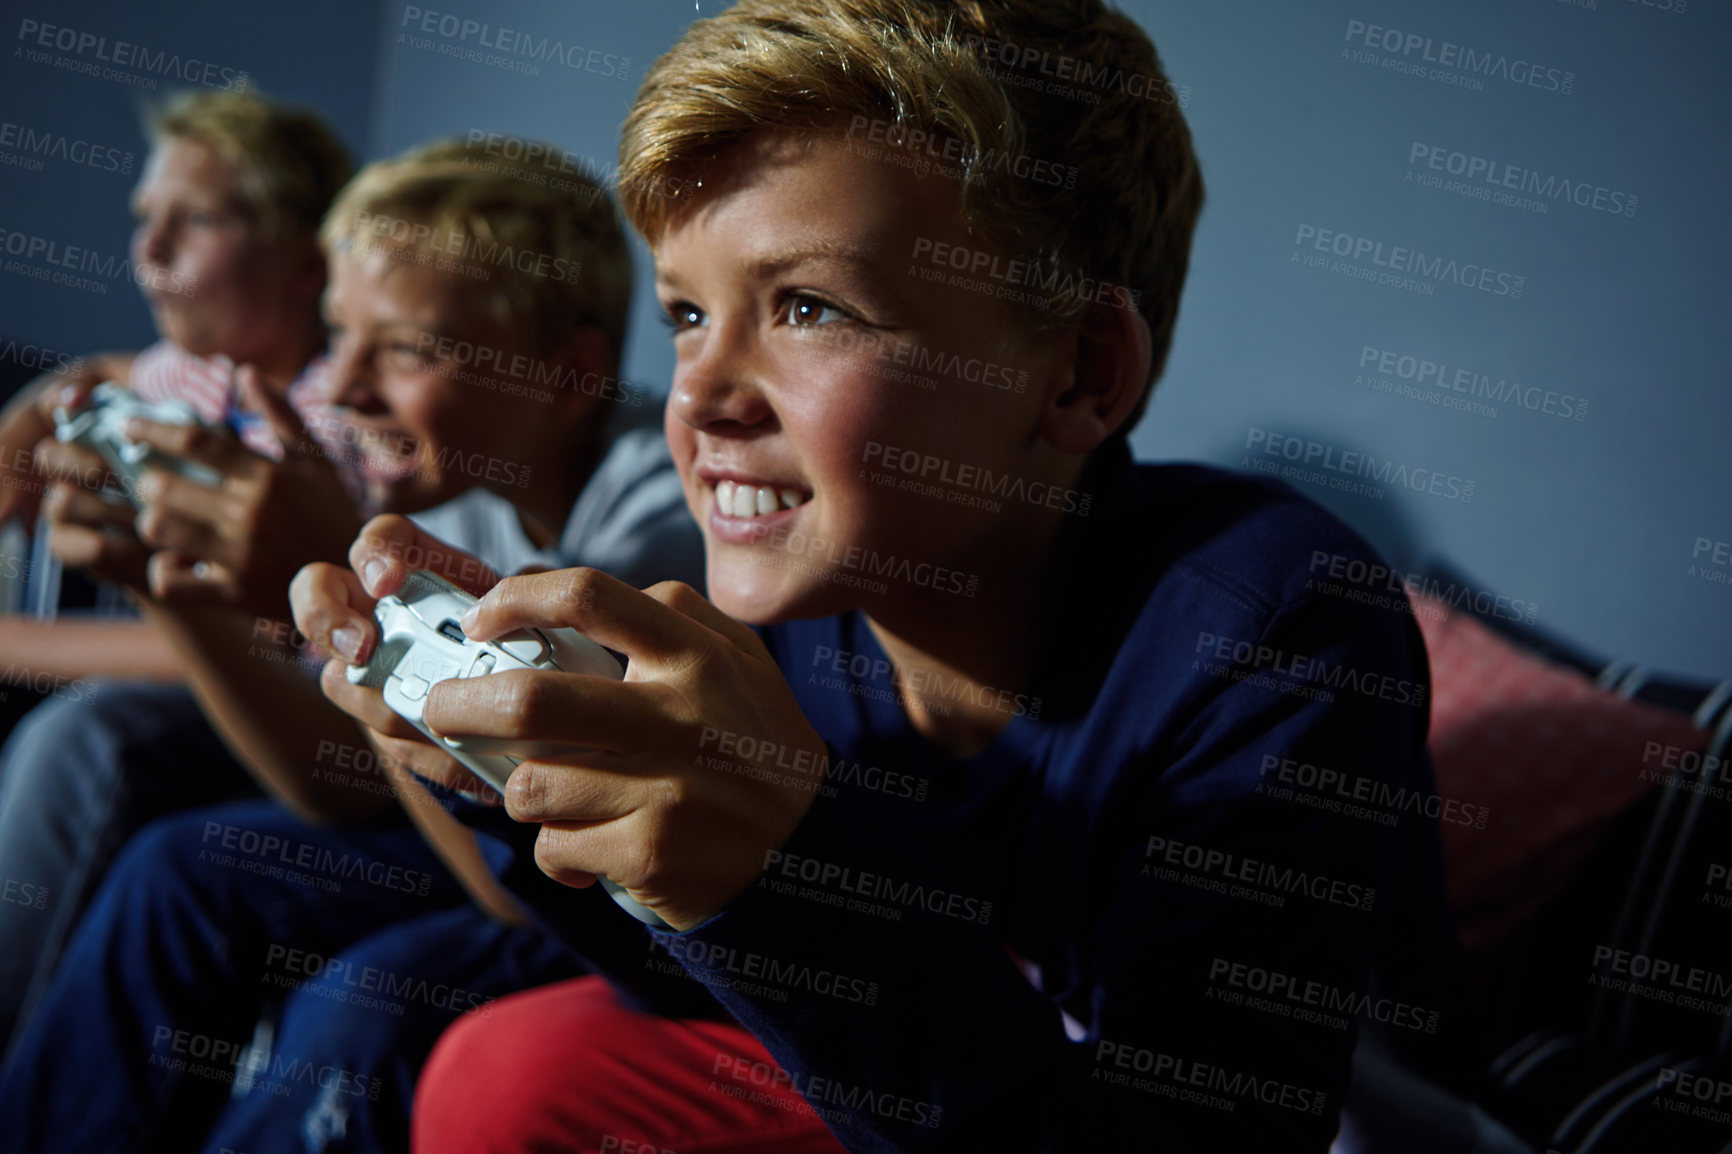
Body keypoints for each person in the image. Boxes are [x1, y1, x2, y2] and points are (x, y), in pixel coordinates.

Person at [290, 1, 1485, 1151]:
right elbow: (734, 977)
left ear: (1082, 371)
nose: (700, 395)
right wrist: (513, 785)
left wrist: (780, 863)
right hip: (973, 1065)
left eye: (807, 306)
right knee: (509, 1065)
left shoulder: (1277, 620)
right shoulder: (810, 620)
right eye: (688, 315)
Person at [0, 138, 707, 1153]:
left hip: (584, 903)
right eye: (341, 337)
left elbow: (522, 889)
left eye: (409, 348)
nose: (343, 388)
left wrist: (349, 597)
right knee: (179, 866)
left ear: (568, 374)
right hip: (488, 852)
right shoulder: (467, 485)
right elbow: (334, 789)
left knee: (365, 1002)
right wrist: (161, 581)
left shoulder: (650, 538)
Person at [0, 87, 353, 1049]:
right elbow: (113, 372)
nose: (146, 252)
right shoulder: (189, 372)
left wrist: (16, 643)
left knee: (87, 734)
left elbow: (269, 644)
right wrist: (33, 410)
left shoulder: (332, 414)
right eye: (142, 220)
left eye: (193, 221)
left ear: (299, 251)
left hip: (278, 704)